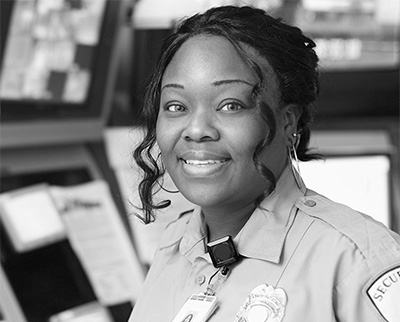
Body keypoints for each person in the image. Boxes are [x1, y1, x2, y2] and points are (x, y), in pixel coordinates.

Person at [128, 5, 400, 322]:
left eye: (230, 105)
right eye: (176, 106)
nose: (197, 130)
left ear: (288, 121)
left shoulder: (358, 260)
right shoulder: (173, 247)